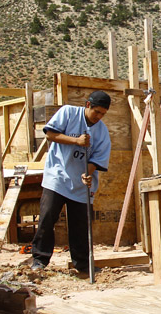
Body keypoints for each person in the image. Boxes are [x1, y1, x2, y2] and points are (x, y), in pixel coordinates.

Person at [30, 90, 112, 275]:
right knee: (47, 217)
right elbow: (50, 134)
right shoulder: (68, 113)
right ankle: (39, 260)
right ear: (88, 105)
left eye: (103, 114)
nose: (99, 117)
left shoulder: (102, 132)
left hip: (81, 185)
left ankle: (82, 265)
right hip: (57, 176)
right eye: (97, 112)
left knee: (80, 226)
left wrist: (86, 174)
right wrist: (76, 140)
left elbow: (98, 159)